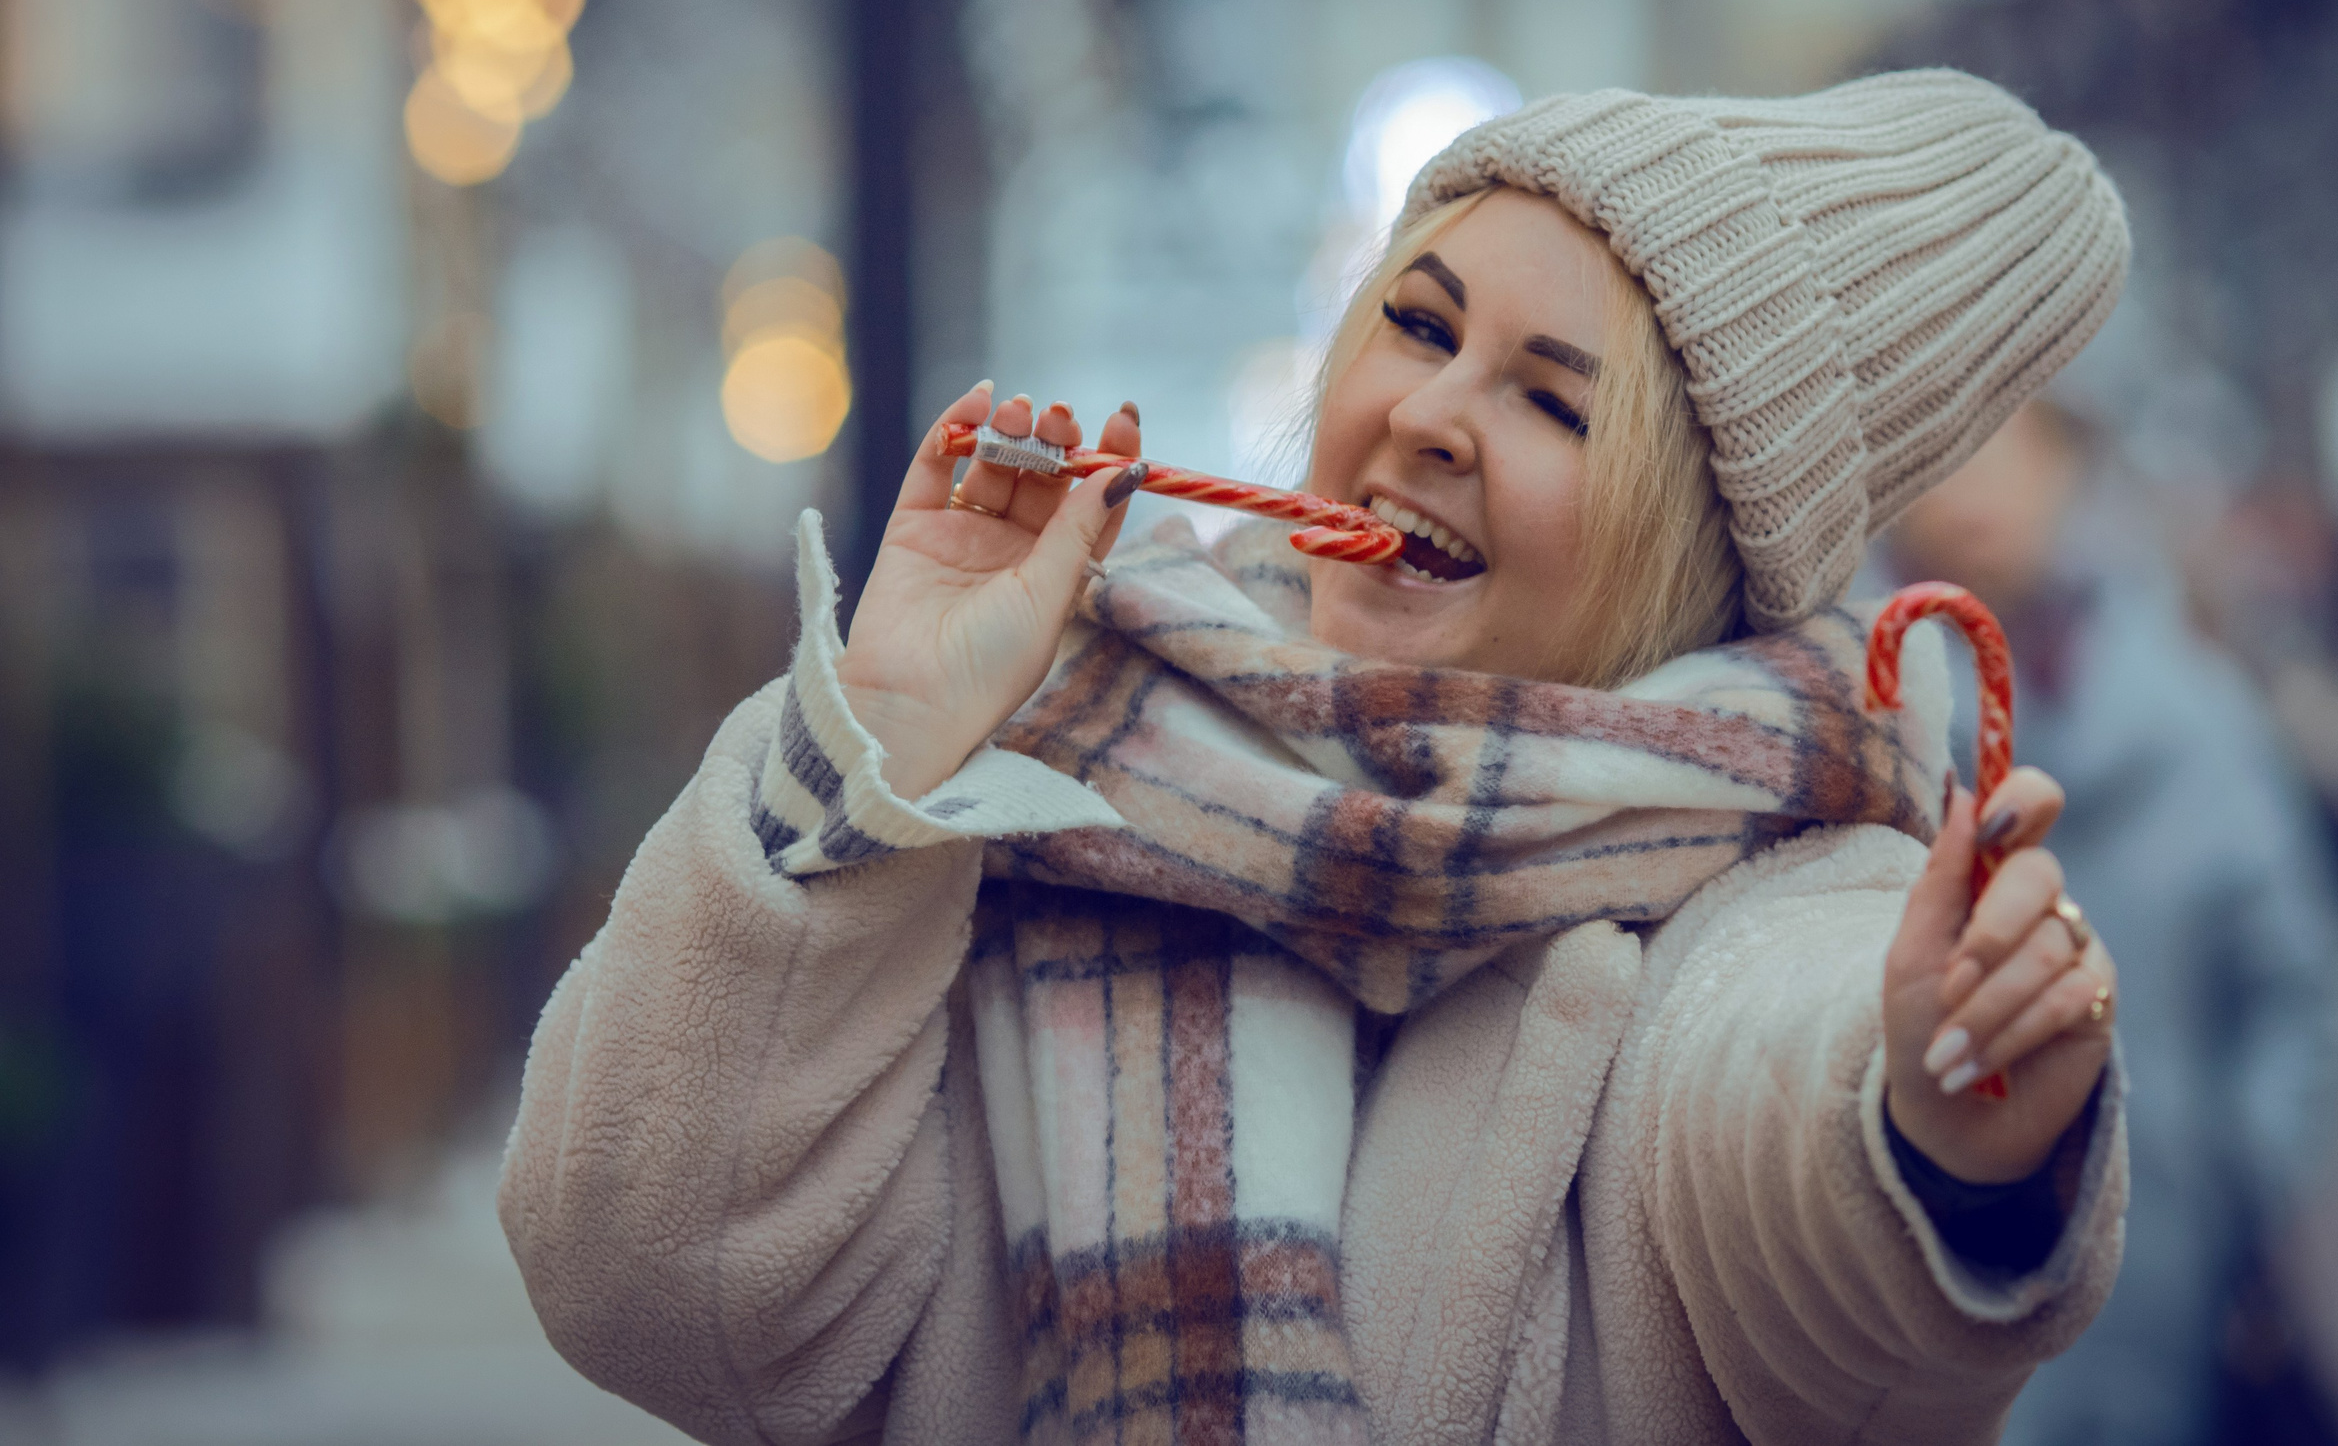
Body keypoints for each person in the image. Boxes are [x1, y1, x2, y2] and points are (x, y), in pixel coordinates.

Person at [500, 74, 2137, 1446]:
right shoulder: (1039, 765)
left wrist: (1935, 1140)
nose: (1432, 410)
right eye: (1418, 322)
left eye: (1556, 407)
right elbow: (654, 1297)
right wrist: (879, 747)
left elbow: (1786, 1134)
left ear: (1689, 551)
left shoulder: (1788, 865)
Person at [1886, 403, 2338, 1446]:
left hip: (2175, 1249)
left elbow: (2294, 973)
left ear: (2068, 467)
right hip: (1934, 1265)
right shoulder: (1857, 719)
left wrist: (2243, 1170)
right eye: (1939, 452)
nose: (1970, 488)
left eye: (2006, 447)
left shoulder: (2197, 713)